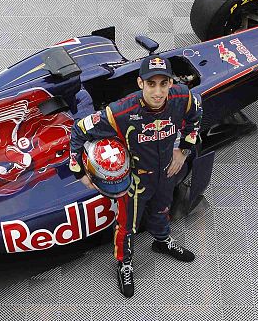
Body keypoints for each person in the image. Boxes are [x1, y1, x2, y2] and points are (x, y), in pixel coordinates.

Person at [69, 55, 203, 297]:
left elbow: (195, 118)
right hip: (134, 181)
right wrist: (79, 170)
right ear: (141, 84)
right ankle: (124, 263)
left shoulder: (183, 97)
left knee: (163, 209)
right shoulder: (120, 111)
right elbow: (79, 131)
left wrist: (183, 150)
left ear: (171, 84)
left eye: (164, 83)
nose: (158, 92)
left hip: (165, 174)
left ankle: (161, 241)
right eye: (151, 84)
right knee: (127, 226)